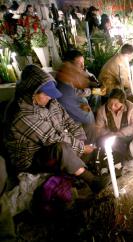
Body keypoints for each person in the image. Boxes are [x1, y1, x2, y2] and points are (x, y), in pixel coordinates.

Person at [4, 65, 109, 193]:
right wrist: (81, 147)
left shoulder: (51, 102)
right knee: (60, 147)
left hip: (55, 141)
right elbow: (52, 137)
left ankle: (80, 166)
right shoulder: (21, 114)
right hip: (33, 159)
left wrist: (80, 139)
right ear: (32, 92)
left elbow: (68, 121)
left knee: (89, 127)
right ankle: (91, 180)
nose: (50, 97)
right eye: (47, 94)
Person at [56, 50, 97, 144]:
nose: (83, 66)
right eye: (79, 64)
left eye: (83, 63)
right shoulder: (64, 89)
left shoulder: (71, 80)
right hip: (80, 129)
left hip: (86, 123)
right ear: (69, 65)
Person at [96, 88, 133, 164]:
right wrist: (111, 134)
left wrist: (120, 133)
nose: (112, 107)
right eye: (110, 104)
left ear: (123, 103)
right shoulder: (102, 111)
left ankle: (123, 157)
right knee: (102, 142)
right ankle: (119, 160)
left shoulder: (132, 108)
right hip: (110, 137)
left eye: (116, 105)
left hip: (127, 136)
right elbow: (98, 129)